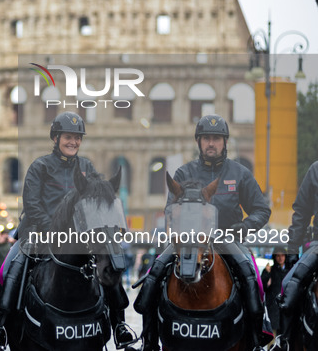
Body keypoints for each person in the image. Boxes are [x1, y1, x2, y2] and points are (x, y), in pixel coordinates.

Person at [0, 111, 137, 350]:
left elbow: (96, 198)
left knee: (109, 263)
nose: (73, 142)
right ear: (56, 137)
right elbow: (32, 204)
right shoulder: (40, 166)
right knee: (11, 265)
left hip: (80, 235)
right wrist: (52, 229)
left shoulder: (87, 165)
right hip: (40, 232)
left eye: (77, 138)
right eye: (68, 136)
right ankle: (2, 327)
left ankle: (119, 325)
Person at [133, 114, 271, 351]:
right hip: (187, 241)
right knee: (154, 274)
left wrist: (242, 229)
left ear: (224, 142)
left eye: (216, 139)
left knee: (251, 276)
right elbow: (170, 209)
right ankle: (149, 341)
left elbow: (261, 209)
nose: (211, 143)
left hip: (227, 240)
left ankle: (255, 340)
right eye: (206, 138)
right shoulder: (183, 173)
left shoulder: (240, 174)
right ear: (199, 142)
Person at [270, 161, 318, 351]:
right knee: (288, 284)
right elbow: (301, 214)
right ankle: (285, 340)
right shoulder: (315, 169)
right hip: (317, 246)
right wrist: (292, 250)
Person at [261, 247, 289, 334]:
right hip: (273, 306)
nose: (280, 258)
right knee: (272, 333)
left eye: (282, 255)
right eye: (278, 256)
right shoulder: (270, 270)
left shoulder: (290, 270)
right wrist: (267, 274)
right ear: (275, 257)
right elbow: (263, 287)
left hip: (286, 306)